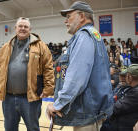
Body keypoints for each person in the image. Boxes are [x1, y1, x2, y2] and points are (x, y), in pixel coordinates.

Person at [46, 1, 113, 131]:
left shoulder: (83, 36)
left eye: (69, 17)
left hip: (88, 114)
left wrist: (58, 104)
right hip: (94, 111)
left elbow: (76, 79)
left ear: (81, 16)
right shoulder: (93, 35)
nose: (66, 21)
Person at [0, 17, 54, 131]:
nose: (23, 28)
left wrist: (48, 88)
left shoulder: (40, 46)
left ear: (30, 29)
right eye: (20, 26)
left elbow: (48, 68)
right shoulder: (5, 47)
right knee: (9, 128)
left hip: (30, 98)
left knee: (33, 128)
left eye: (25, 27)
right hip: (8, 98)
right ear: (15, 28)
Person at [109, 64, 138, 131]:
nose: (124, 78)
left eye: (126, 76)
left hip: (125, 126)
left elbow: (117, 108)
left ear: (130, 77)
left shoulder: (136, 92)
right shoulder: (132, 88)